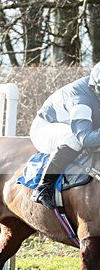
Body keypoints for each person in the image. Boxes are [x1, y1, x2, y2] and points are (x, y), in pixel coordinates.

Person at [29, 61, 100, 209]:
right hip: (45, 129)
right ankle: (43, 188)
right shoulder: (80, 99)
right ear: (96, 87)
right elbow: (85, 138)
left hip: (75, 126)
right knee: (73, 139)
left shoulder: (95, 85)